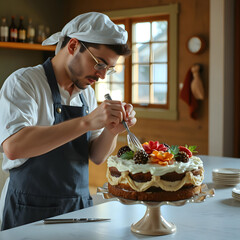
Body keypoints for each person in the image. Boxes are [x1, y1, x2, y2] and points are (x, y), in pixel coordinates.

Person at [0, 12, 136, 230]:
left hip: (78, 208)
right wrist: (87, 122)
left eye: (108, 69)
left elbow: (97, 156)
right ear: (73, 46)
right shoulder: (24, 83)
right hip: (29, 211)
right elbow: (14, 147)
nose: (101, 76)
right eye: (99, 64)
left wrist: (112, 130)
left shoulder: (86, 93)